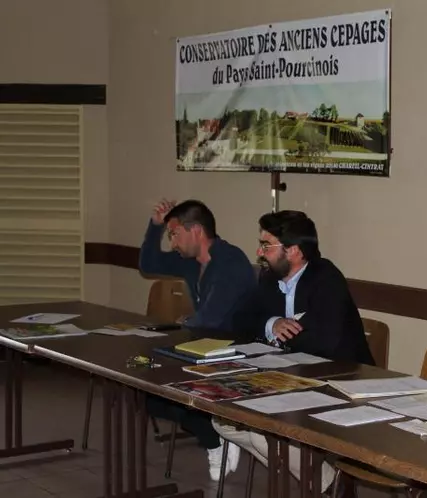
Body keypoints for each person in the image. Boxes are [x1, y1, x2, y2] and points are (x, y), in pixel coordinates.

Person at [213, 210, 374, 491]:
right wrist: (271, 324)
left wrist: (285, 340)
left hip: (340, 381)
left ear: (295, 251)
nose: (259, 252)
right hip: (289, 378)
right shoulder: (269, 279)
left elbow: (326, 344)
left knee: (265, 435)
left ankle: (332, 487)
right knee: (224, 423)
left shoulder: (326, 279)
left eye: (267, 245)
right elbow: (237, 319)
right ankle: (325, 480)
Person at [140, 199, 257, 481]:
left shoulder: (232, 261)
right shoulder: (190, 263)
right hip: (203, 346)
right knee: (149, 392)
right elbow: (147, 263)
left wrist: (188, 323)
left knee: (184, 389)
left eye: (174, 234)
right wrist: (155, 226)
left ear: (196, 231)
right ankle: (217, 433)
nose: (173, 242)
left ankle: (219, 438)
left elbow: (211, 319)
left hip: (238, 351)